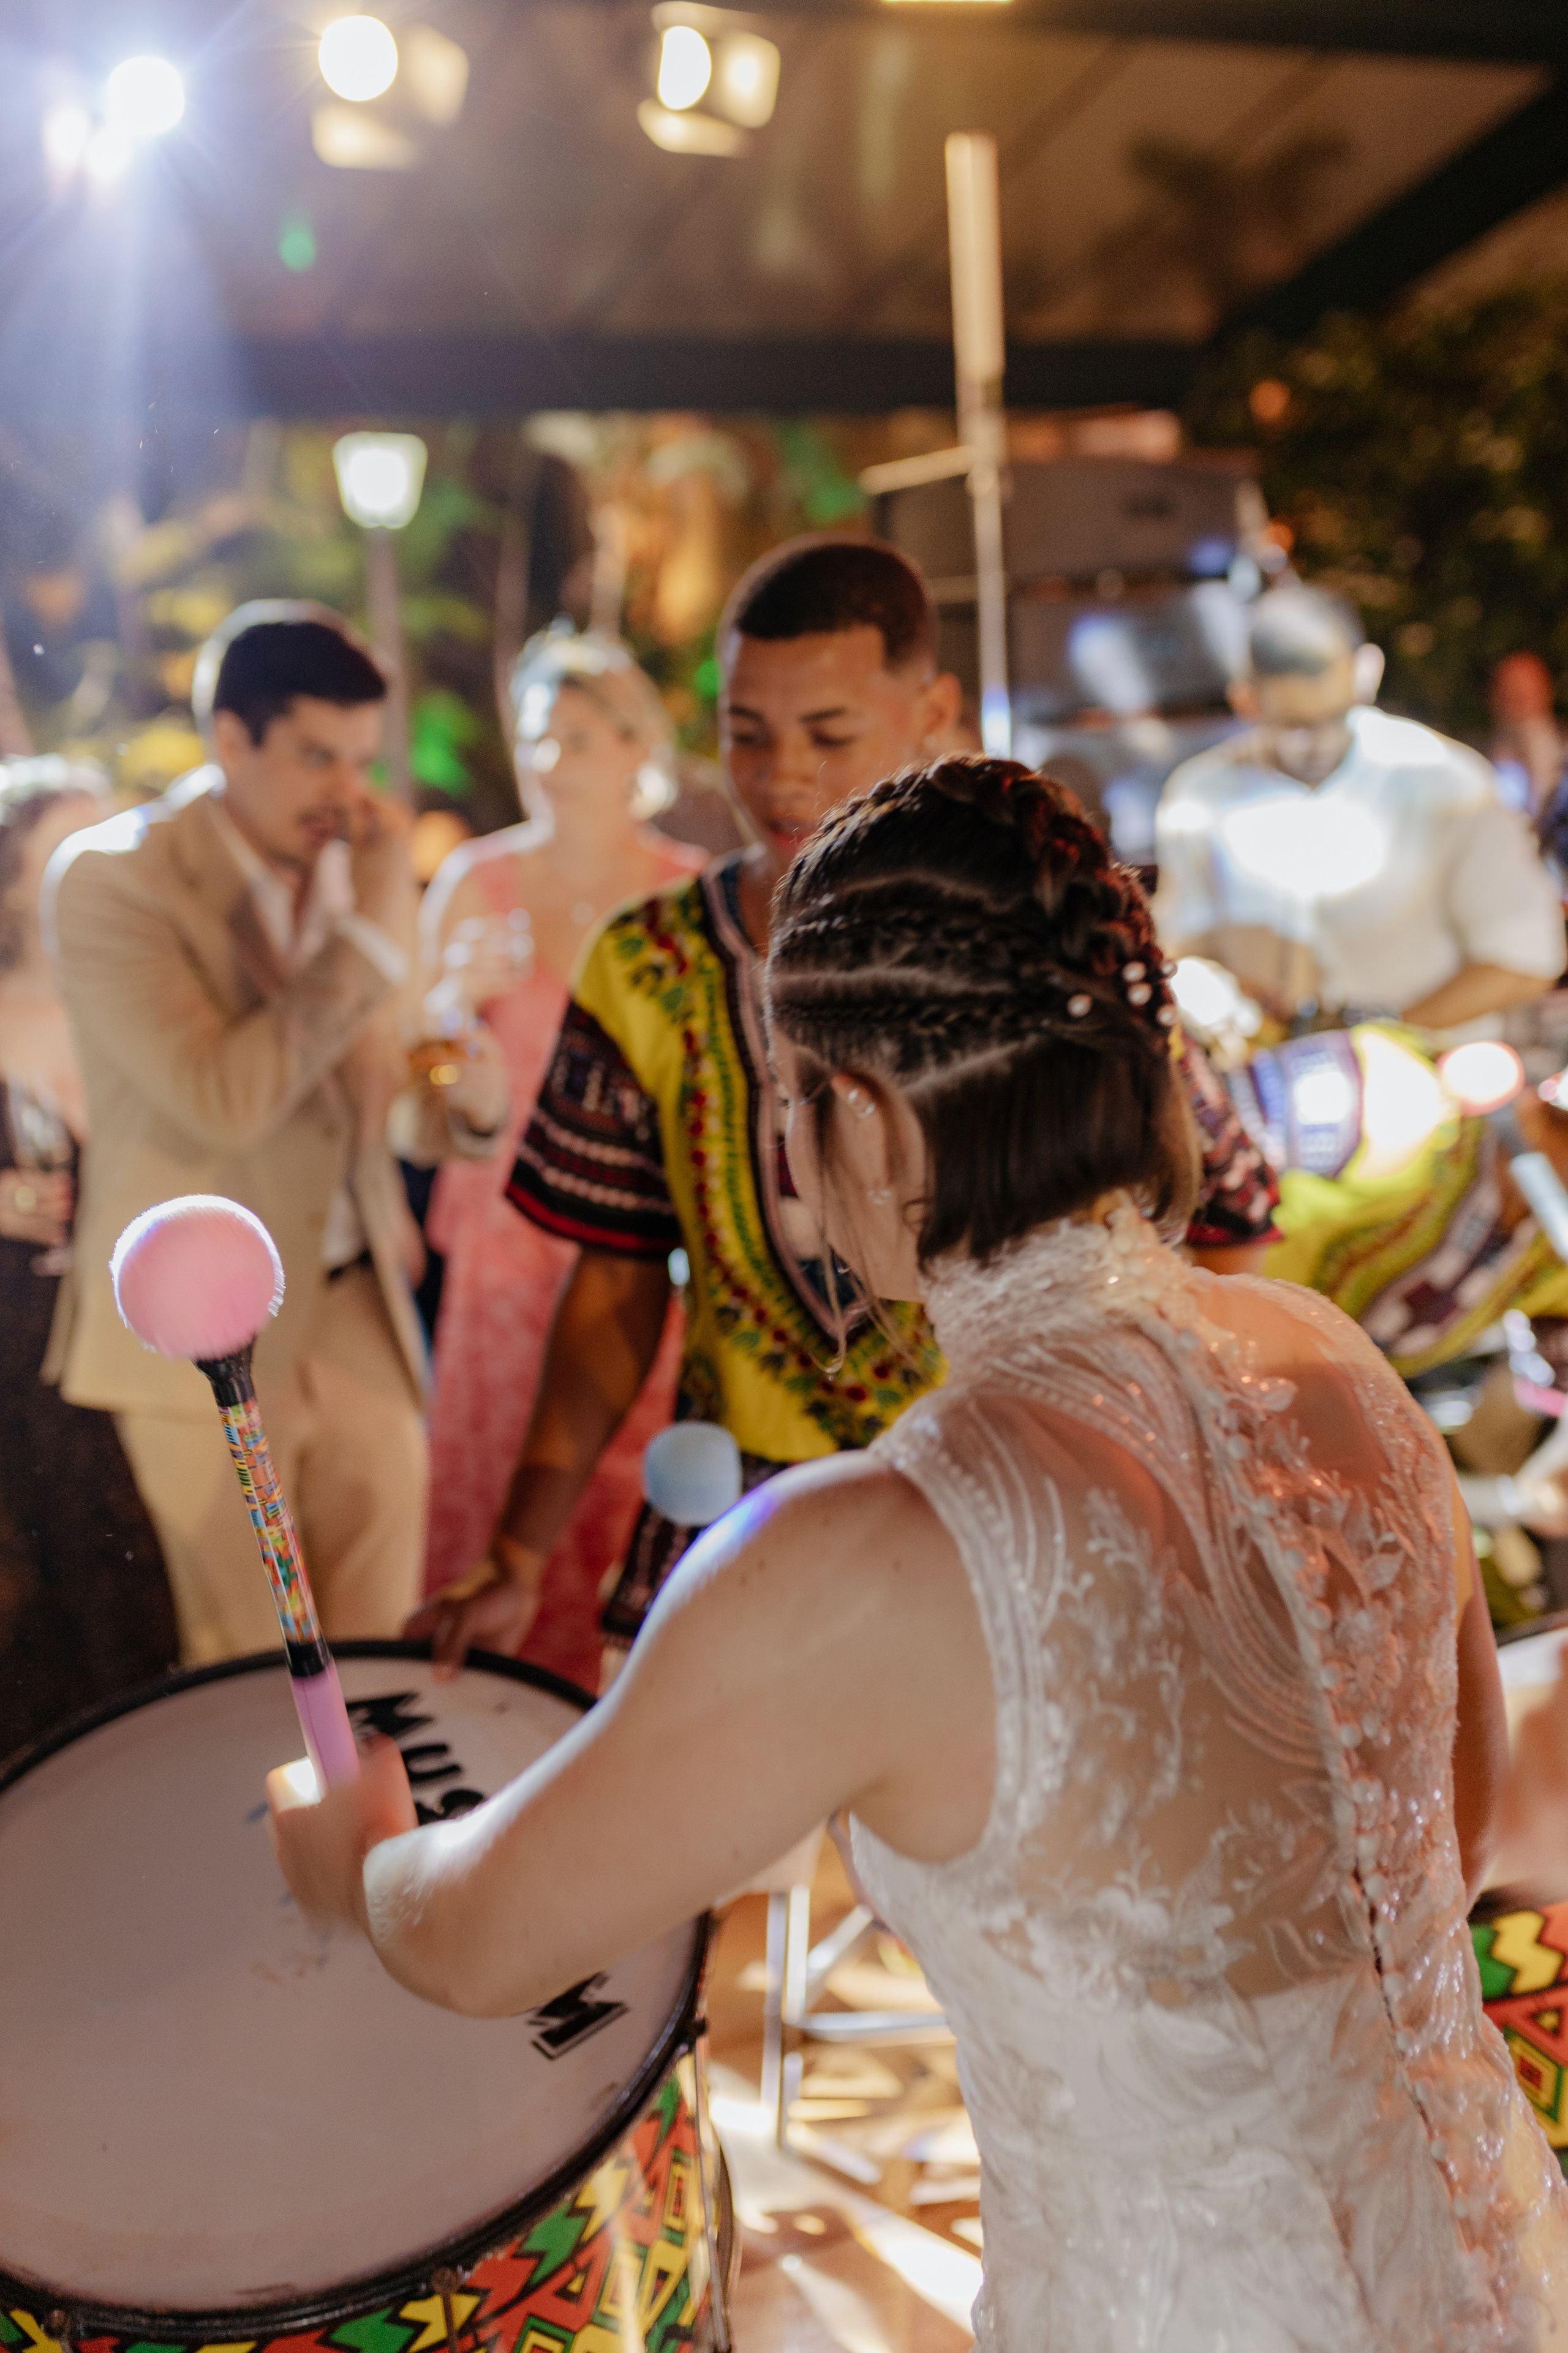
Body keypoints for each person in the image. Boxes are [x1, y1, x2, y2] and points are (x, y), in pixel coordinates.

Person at [273, 758, 1568, 2349]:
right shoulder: (1331, 1360)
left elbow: (483, 1940)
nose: (794, 1171)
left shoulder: (859, 1550)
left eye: (791, 1103)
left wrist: (362, 1859)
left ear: (869, 1119)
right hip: (1498, 2263)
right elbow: (1468, 1815)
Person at [410, 535, 1279, 1673]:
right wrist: (521, 1550)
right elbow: (616, 1270)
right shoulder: (647, 963)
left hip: (1019, 1506)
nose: (781, 778)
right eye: (747, 734)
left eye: (829, 735)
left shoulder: (1041, 929)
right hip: (744, 1523)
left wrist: (1173, 1481)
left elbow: (1223, 1226)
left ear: (933, 710)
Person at [45, 610, 508, 1667]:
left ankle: (377, 1847)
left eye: (359, 759)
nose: (347, 791)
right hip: (193, 1338)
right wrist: (363, 935)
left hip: (357, 1311)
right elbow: (223, 1096)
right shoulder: (112, 878)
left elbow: (381, 1099)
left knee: (381, 1659)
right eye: (315, 757)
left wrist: (464, 1109)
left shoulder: (352, 867)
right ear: (230, 737)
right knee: (254, 1678)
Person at [417, 628, 701, 1690]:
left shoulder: (687, 893)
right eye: (539, 738)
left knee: (636, 1481)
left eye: (579, 737)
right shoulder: (475, 884)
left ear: (637, 748)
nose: (552, 761)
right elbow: (421, 1078)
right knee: (502, 1480)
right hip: (505, 1232)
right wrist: (454, 1012)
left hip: (639, 1236)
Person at [1155, 585, 1566, 1033]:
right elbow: (1178, 954)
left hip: (1435, 1081)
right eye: (1292, 725)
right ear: (1245, 696)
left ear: (1367, 673)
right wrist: (1217, 1000)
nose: (1312, 744)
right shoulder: (1198, 797)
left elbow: (1528, 956)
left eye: (1332, 717)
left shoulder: (1445, 781)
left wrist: (1387, 1034)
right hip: (1271, 1080)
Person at [0, 760, 175, 1759]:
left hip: (134, 1319)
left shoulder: (138, 996)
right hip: (18, 1333)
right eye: (67, 842)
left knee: (137, 1581)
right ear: (13, 870)